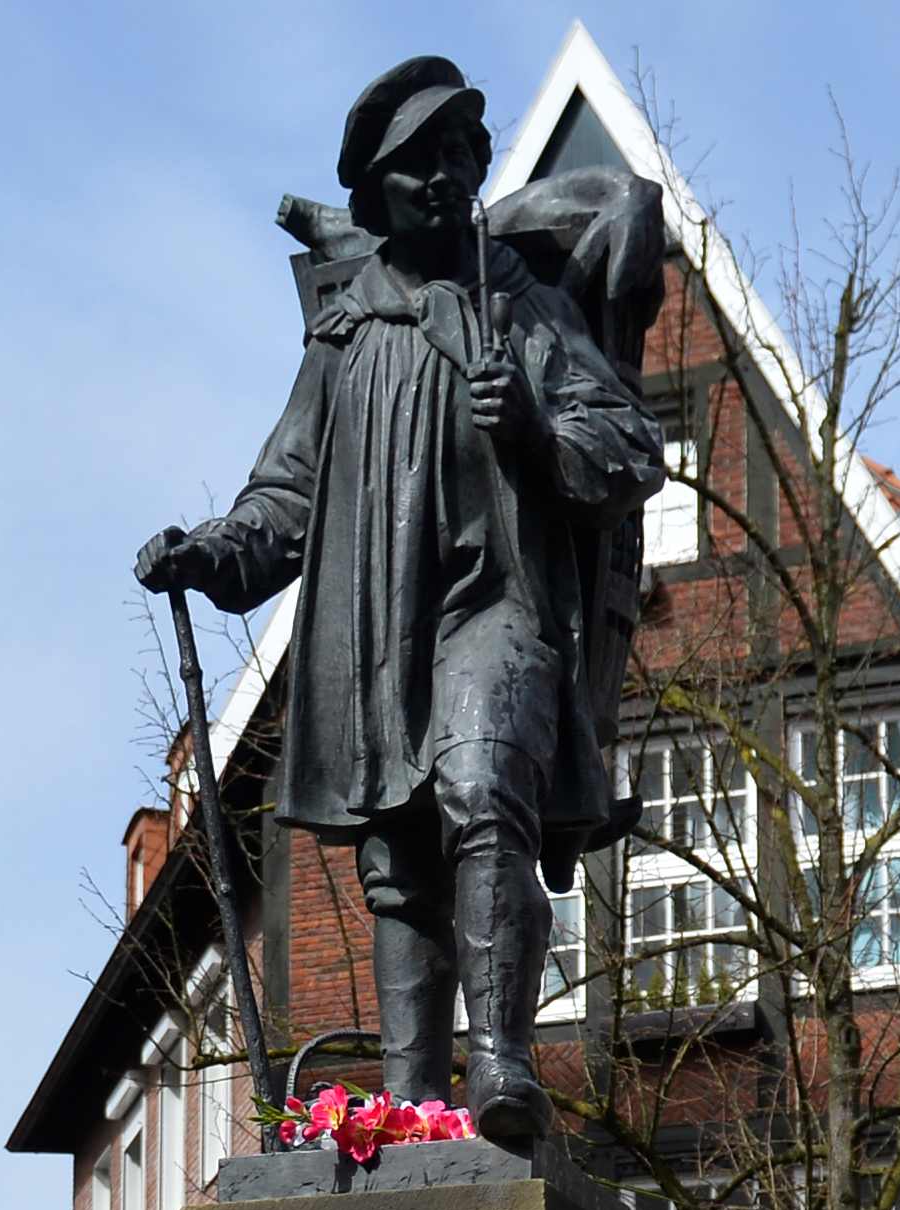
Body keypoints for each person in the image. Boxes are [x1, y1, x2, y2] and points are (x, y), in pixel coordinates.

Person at [133, 57, 667, 1150]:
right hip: (375, 634)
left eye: (454, 155)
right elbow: (281, 495)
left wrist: (528, 425)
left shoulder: (530, 312)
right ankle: (413, 1107)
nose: (438, 178)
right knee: (399, 872)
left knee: (478, 789)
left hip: (499, 607)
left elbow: (624, 446)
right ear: (375, 194)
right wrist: (209, 553)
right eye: (411, 165)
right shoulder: (344, 340)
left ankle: (503, 1063)